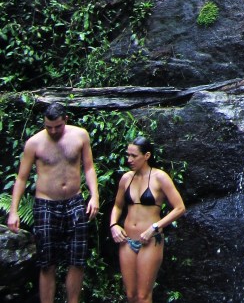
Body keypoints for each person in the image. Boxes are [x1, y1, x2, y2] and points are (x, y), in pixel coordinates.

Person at [6, 102, 100, 303]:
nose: (53, 131)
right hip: (46, 203)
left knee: (78, 259)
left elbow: (89, 167)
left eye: (57, 126)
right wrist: (13, 211)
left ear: (65, 119)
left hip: (74, 200)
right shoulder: (35, 143)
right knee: (47, 262)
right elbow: (21, 178)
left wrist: (94, 196)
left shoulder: (80, 135)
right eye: (49, 127)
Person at [109, 136, 186, 303]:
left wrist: (155, 227)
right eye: (127, 155)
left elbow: (179, 207)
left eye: (134, 156)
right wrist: (114, 224)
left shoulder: (160, 177)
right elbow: (117, 206)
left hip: (150, 240)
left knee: (143, 296)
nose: (129, 160)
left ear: (147, 155)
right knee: (131, 295)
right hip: (127, 240)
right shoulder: (126, 178)